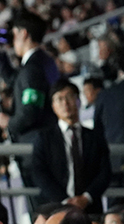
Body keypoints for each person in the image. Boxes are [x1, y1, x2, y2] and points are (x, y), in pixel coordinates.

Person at [31, 81, 111, 215]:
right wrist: (64, 200)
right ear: (53, 106)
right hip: (56, 207)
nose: (65, 103)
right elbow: (39, 173)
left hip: (90, 207)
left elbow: (105, 172)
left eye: (69, 97)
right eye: (59, 99)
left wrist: (86, 197)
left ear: (78, 100)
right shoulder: (44, 138)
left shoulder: (95, 136)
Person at [0, 12, 60, 145]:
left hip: (35, 141)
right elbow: (16, 80)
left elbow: (30, 111)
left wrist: (9, 123)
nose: (12, 40)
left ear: (23, 33)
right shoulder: (43, 61)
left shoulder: (32, 68)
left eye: (13, 34)